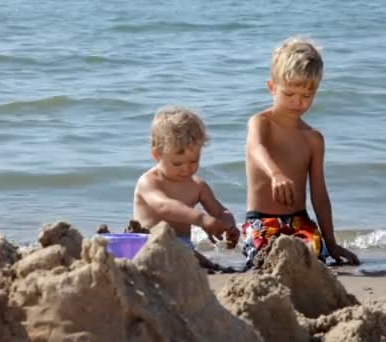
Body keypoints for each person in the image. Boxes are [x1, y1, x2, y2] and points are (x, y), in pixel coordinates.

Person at [243, 36, 360, 267]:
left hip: (300, 223)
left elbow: (319, 195)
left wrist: (332, 243)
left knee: (311, 258)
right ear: (271, 87)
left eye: (307, 96)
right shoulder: (261, 123)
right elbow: (257, 148)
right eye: (289, 94)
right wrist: (275, 174)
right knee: (270, 260)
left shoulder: (313, 139)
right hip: (262, 222)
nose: (298, 102)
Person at [133, 105, 240, 271]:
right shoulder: (149, 182)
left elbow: (220, 211)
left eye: (193, 161)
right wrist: (202, 219)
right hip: (148, 245)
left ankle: (209, 265)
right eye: (177, 163)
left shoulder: (197, 186)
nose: (186, 169)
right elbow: (164, 206)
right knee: (191, 258)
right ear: (156, 155)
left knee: (200, 261)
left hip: (183, 247)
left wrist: (229, 226)